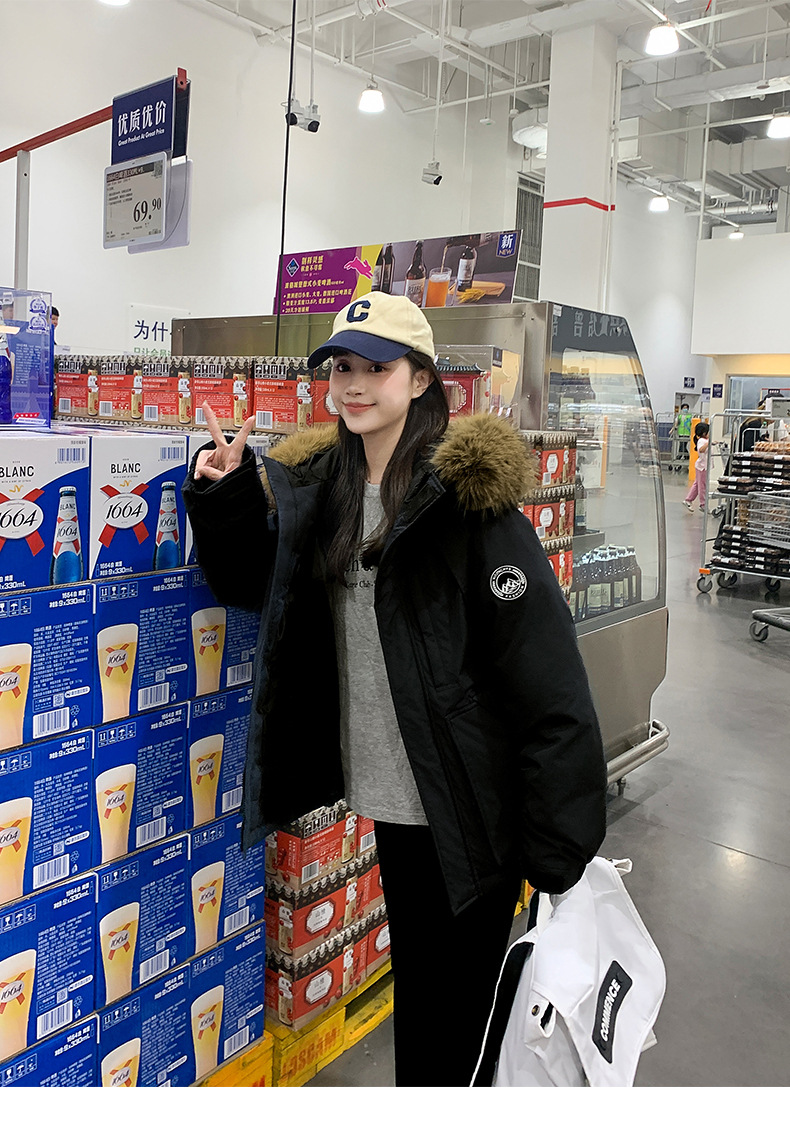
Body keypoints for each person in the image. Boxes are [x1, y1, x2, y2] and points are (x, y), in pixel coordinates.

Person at [182, 292, 608, 1088]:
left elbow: (547, 678)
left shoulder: (470, 508)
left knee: (462, 1021)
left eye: (377, 368)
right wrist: (225, 494)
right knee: (426, 999)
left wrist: (560, 849)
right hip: (391, 802)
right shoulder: (327, 492)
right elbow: (249, 587)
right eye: (341, 366)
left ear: (419, 381)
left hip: (469, 811)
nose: (353, 383)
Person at [683, 422, 709, 512]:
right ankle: (703, 504)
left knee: (697, 484)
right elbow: (701, 450)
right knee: (702, 485)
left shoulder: (705, 441)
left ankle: (688, 499)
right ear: (704, 433)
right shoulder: (702, 441)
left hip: (703, 466)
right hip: (702, 467)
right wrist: (709, 443)